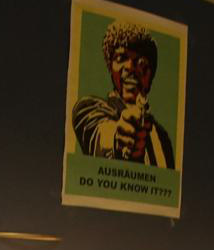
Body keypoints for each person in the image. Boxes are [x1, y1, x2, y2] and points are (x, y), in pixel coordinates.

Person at [72, 21, 175, 168]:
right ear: (110, 67)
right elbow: (100, 134)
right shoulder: (88, 109)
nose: (130, 67)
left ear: (150, 77)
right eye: (121, 58)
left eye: (141, 62)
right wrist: (117, 140)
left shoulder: (162, 138)